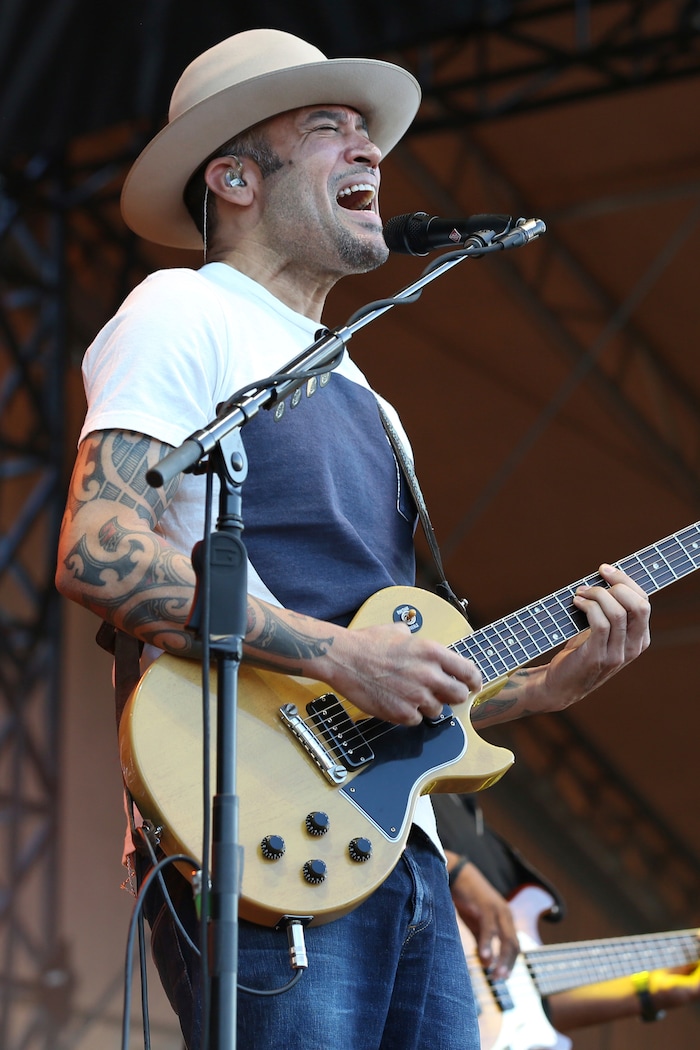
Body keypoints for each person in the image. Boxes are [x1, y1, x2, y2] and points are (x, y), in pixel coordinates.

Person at [54, 27, 652, 1050]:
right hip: (256, 843)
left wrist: (537, 692)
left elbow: (392, 676)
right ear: (234, 176)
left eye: (368, 131)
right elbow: (97, 550)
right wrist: (334, 651)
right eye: (329, 126)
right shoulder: (183, 311)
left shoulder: (370, 399)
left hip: (399, 852)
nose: (370, 148)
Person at [433, 793, 700, 1044]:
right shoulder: (418, 759)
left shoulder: (464, 794)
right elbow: (393, 841)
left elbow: (521, 996)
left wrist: (651, 992)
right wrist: (455, 870)